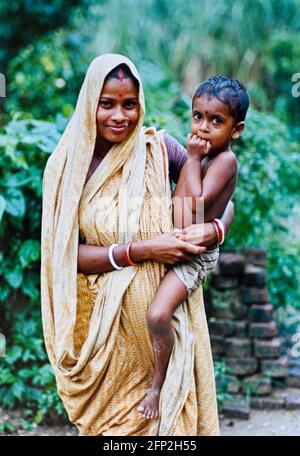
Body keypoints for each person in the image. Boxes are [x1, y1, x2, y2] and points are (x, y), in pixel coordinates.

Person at [40, 54, 235, 436]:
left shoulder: (158, 149)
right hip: (104, 340)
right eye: (107, 103)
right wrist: (141, 251)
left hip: (165, 333)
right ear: (88, 104)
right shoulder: (65, 170)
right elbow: (63, 257)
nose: (120, 116)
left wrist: (214, 231)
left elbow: (219, 199)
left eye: (129, 104)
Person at [137, 76, 249, 420]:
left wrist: (193, 157)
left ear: (236, 130)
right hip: (174, 242)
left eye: (216, 121)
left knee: (157, 315)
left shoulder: (224, 161)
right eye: (197, 116)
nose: (203, 127)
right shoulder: (198, 154)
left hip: (193, 257)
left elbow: (199, 203)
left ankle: (157, 385)